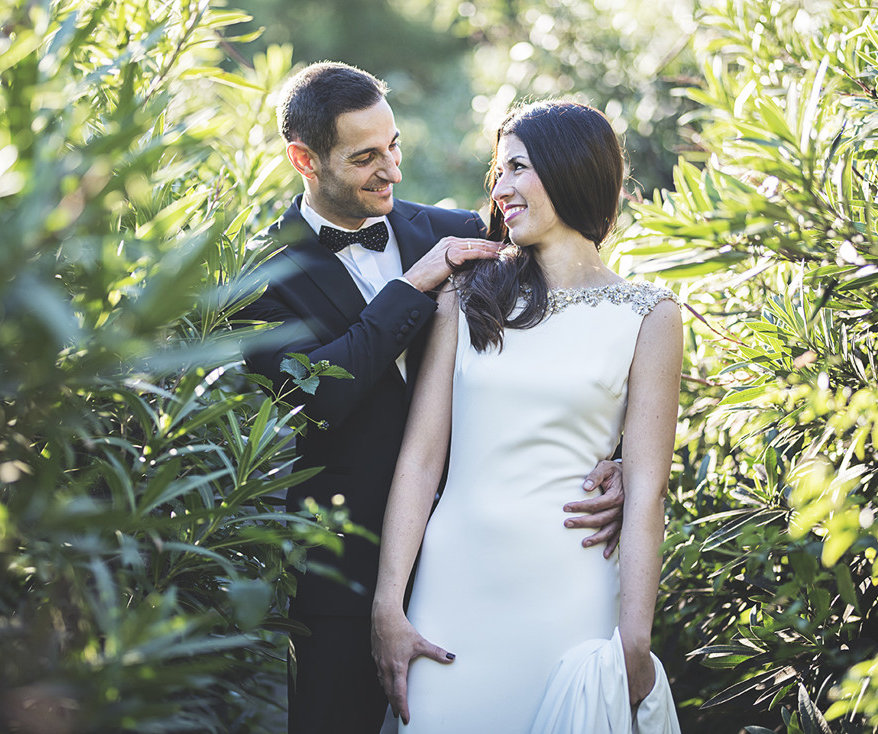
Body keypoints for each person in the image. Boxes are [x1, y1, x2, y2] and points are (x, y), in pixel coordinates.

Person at [238, 64, 628, 734]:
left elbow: (563, 339)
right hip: (346, 566)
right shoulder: (257, 277)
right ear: (304, 160)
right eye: (364, 157)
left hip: (482, 556)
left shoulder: (459, 229)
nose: (391, 169)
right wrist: (411, 287)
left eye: (393, 146)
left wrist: (614, 457)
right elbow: (320, 397)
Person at [371, 100, 683, 732]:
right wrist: (388, 605)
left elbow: (647, 488)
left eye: (518, 168)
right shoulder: (467, 294)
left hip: (571, 590)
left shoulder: (651, 315)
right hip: (451, 587)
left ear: (571, 169)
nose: (500, 188)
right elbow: (422, 457)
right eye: (499, 171)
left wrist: (634, 640)